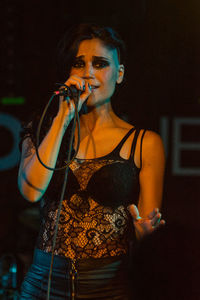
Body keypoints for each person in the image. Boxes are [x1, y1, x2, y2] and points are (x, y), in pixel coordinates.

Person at [18, 23, 165, 300]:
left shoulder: (145, 143)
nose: (88, 73)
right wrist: (62, 119)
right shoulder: (42, 128)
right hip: (43, 285)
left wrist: (147, 236)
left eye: (100, 64)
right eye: (78, 64)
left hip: (109, 287)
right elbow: (30, 191)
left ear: (119, 74)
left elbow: (149, 227)